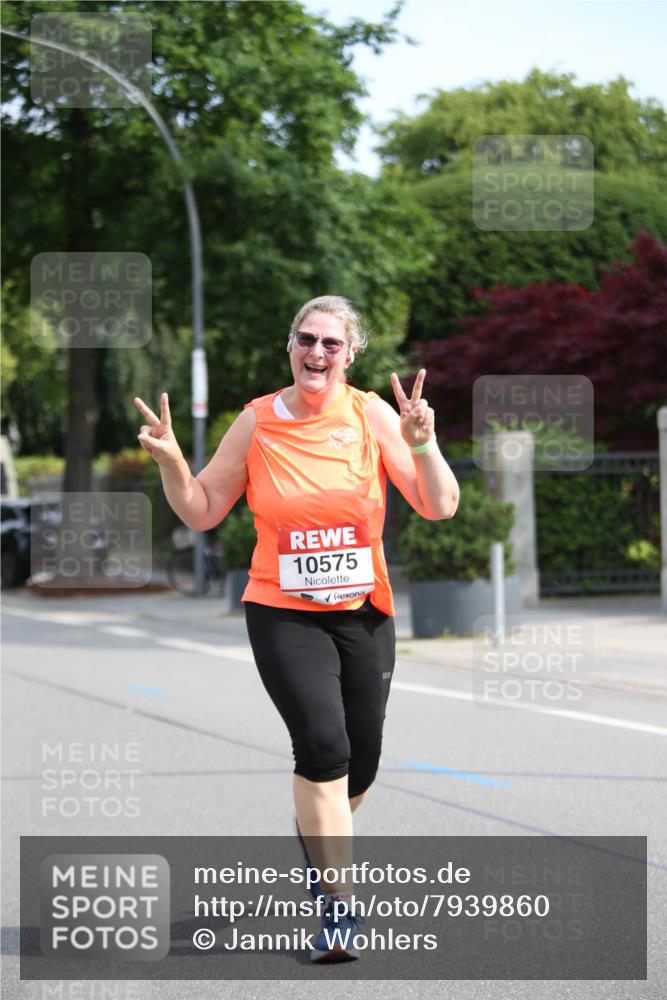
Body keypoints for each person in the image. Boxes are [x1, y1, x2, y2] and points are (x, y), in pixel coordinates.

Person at [134, 295, 459, 961]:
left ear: (350, 354)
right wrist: (170, 461)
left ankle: (317, 832)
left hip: (363, 611)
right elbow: (200, 511)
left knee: (360, 758)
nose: (316, 353)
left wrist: (422, 444)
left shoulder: (370, 414)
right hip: (281, 609)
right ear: (289, 345)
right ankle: (337, 909)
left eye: (331, 344)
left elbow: (439, 505)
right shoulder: (256, 421)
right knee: (322, 747)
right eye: (305, 340)